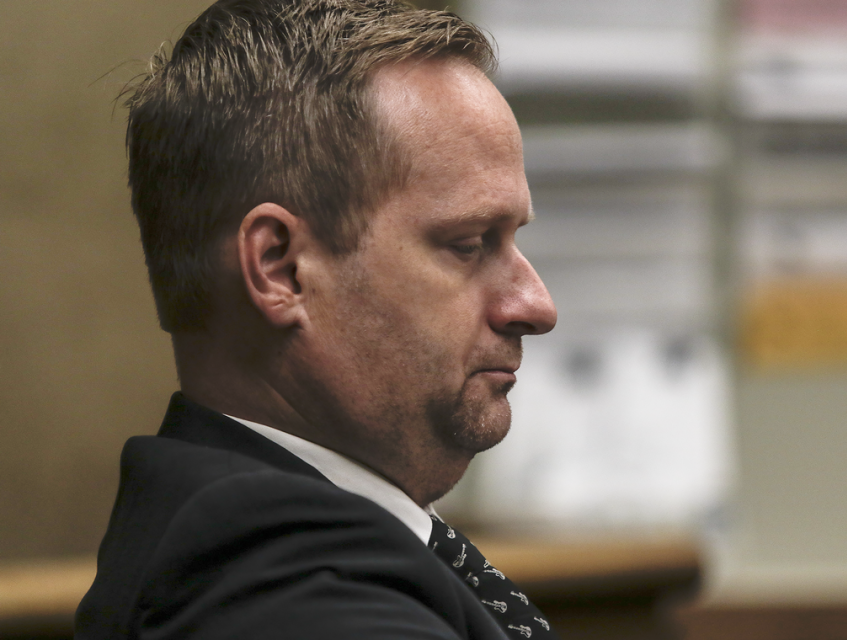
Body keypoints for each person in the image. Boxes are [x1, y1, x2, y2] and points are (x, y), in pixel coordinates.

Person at [75, 0, 558, 638]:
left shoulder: (321, 540)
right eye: (469, 244)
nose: (535, 306)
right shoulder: (275, 584)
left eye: (514, 239)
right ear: (280, 267)